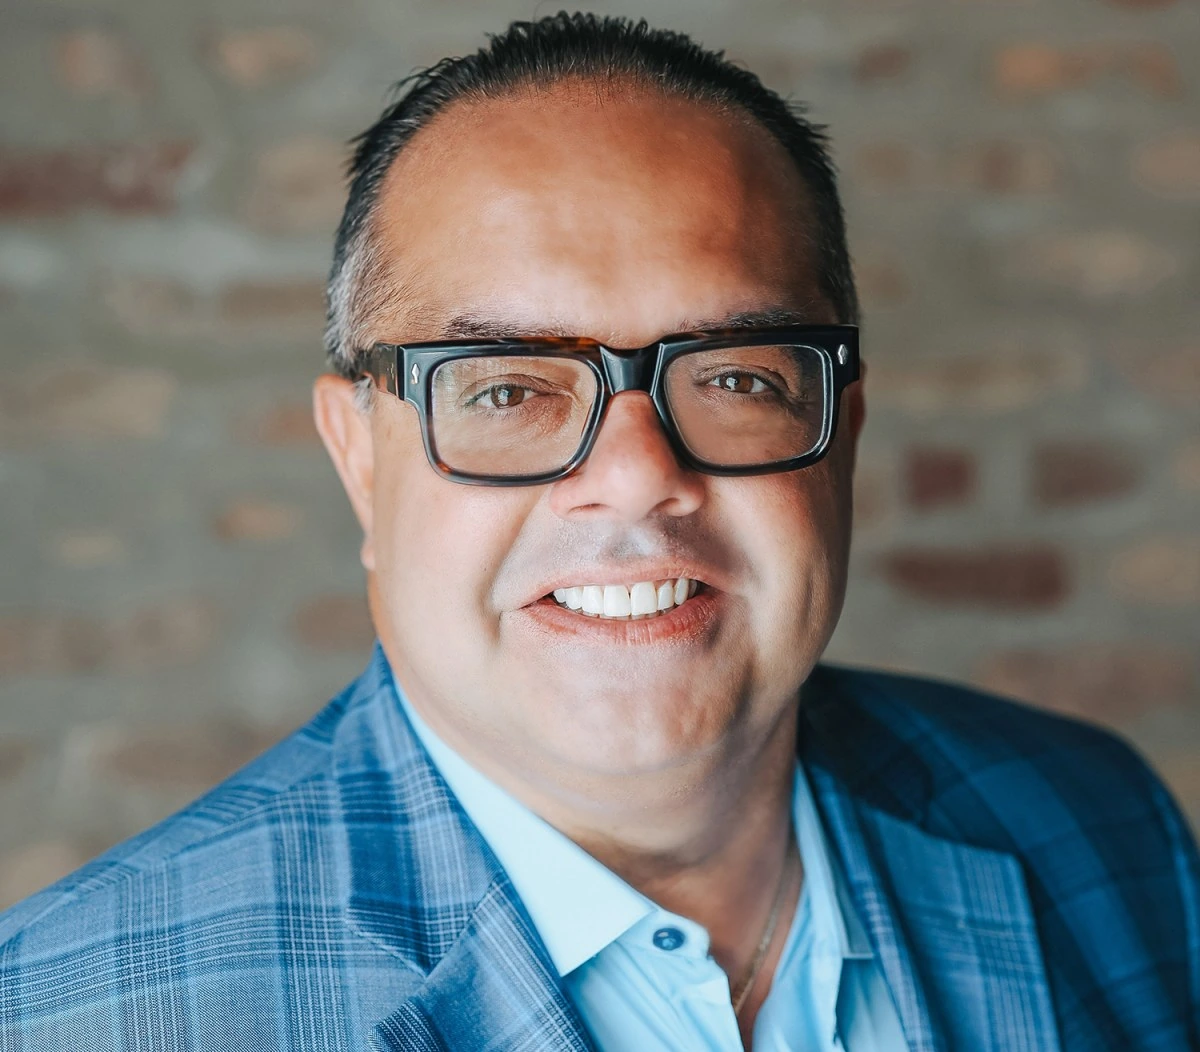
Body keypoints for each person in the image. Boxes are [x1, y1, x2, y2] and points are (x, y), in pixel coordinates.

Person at [1, 13, 1196, 1051]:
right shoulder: (76, 1012)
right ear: (361, 457)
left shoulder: (1098, 822)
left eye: (732, 376)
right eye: (508, 388)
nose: (634, 480)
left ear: (842, 431)